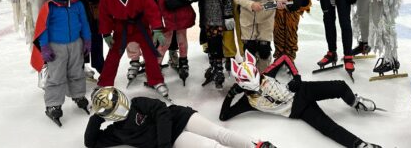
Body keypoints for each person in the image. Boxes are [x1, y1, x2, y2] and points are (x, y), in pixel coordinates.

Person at [220, 51, 381, 148]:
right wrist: (231, 94)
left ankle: (355, 102)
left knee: (340, 86)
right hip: (298, 110)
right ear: (240, 83)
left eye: (256, 76)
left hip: (302, 91)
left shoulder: (266, 74)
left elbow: (284, 57)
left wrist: (296, 77)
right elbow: (224, 116)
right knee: (328, 127)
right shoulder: (248, 102)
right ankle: (359, 144)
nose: (257, 82)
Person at [85, 86, 276, 148]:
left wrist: (163, 145)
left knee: (219, 133)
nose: (121, 103)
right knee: (212, 146)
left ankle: (258, 146)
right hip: (176, 138)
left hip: (179, 117)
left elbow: (161, 110)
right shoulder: (116, 133)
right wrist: (96, 118)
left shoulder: (137, 103)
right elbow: (90, 143)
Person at [97, 0, 168, 97]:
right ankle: (104, 83)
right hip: (120, 29)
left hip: (140, 27)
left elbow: (151, 9)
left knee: (150, 54)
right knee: (112, 57)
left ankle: (156, 80)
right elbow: (104, 15)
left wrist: (157, 28)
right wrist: (105, 33)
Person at [33, 0, 91, 126]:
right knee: (56, 76)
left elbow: (85, 23)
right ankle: (53, 104)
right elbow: (42, 29)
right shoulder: (49, 6)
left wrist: (87, 40)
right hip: (56, 47)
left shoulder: (78, 5)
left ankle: (78, 95)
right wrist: (44, 47)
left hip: (75, 45)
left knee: (76, 72)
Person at [195, 0, 234, 89]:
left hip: (217, 19)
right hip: (206, 19)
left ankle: (219, 72)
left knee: (217, 46)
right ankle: (213, 67)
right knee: (210, 46)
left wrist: (228, 15)